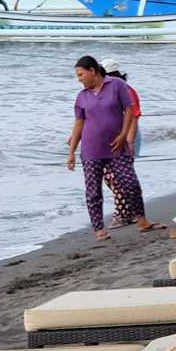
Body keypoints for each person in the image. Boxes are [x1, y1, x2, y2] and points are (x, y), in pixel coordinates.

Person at [65, 55, 151, 240]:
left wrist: (123, 135)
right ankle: (99, 230)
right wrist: (71, 152)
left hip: (117, 147)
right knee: (93, 191)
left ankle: (142, 221)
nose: (78, 79)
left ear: (92, 71)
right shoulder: (82, 96)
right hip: (91, 150)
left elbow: (129, 110)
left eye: (81, 74)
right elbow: (79, 124)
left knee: (130, 184)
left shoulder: (117, 85)